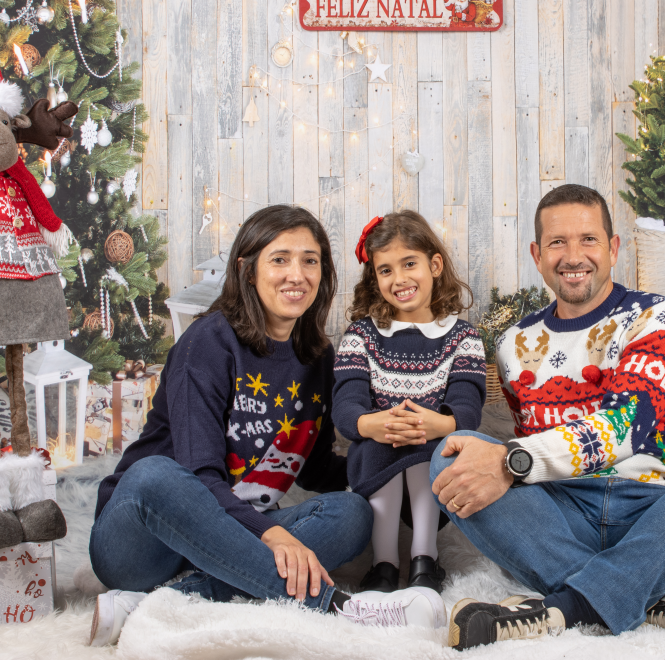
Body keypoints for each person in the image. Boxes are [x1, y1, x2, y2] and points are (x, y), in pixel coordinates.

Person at [429, 184, 665, 650]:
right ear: (537, 255)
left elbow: (624, 425)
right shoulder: (514, 345)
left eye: (588, 239)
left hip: (664, 518)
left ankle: (570, 606)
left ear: (613, 248)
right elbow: (530, 450)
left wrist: (510, 461)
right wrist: (498, 463)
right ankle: (643, 595)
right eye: (557, 242)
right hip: (564, 518)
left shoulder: (660, 317)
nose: (574, 256)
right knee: (451, 455)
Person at [87, 206, 446, 647]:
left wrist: (396, 459)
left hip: (234, 536)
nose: (297, 275)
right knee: (154, 475)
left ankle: (165, 601)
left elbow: (315, 469)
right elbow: (201, 478)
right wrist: (271, 534)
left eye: (310, 260)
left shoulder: (318, 357)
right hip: (142, 541)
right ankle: (341, 609)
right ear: (247, 270)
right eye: (280, 259)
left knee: (353, 514)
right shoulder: (208, 343)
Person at [333, 211, 486, 594]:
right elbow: (347, 403)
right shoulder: (361, 336)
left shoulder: (463, 337)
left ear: (434, 265)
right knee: (377, 446)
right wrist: (373, 424)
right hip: (377, 447)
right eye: (385, 270)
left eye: (409, 264)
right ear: (375, 278)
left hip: (431, 447)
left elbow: (467, 404)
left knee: (427, 447)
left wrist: (440, 424)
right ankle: (384, 562)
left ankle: (424, 557)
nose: (399, 278)